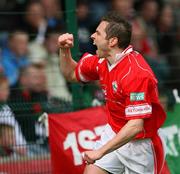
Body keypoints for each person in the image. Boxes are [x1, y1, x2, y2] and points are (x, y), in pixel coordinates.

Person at [58, 11, 166, 174]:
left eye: (98, 33)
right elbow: (71, 74)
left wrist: (100, 152)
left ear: (113, 41)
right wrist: (64, 50)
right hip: (114, 133)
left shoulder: (135, 74)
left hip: (141, 145)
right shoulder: (102, 61)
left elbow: (136, 126)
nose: (92, 36)